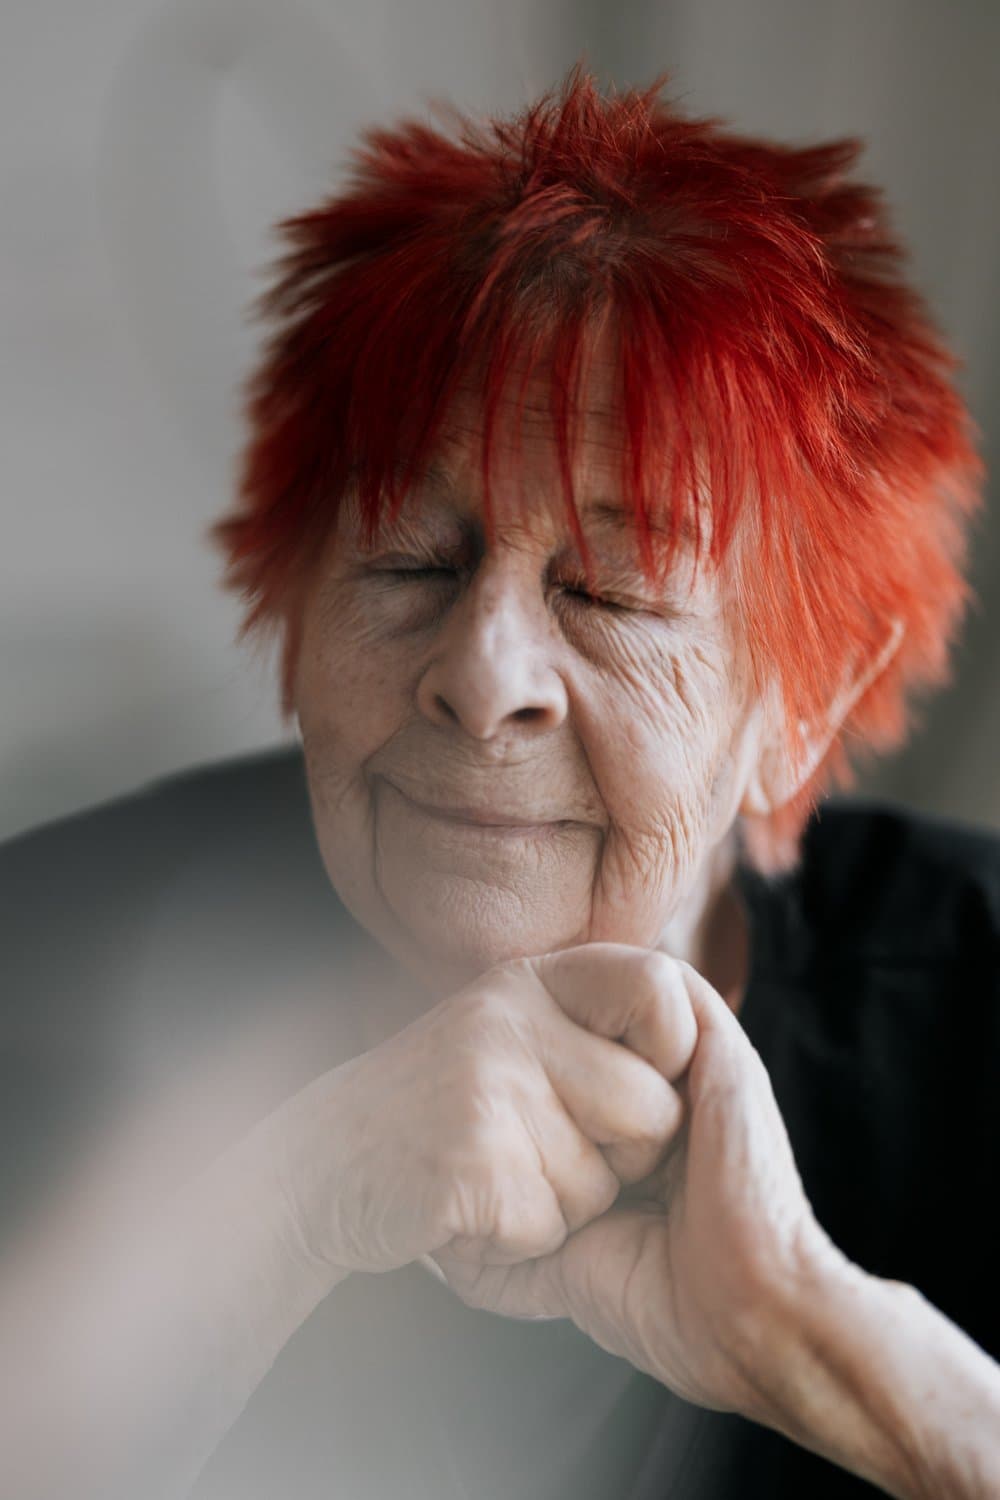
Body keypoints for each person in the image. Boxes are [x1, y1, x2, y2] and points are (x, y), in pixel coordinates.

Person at [1, 63, 999, 1500]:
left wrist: (808, 1329)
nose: (484, 673)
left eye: (610, 590)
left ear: (807, 703)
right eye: (410, 555)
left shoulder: (976, 1025)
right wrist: (289, 1209)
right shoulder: (42, 956)